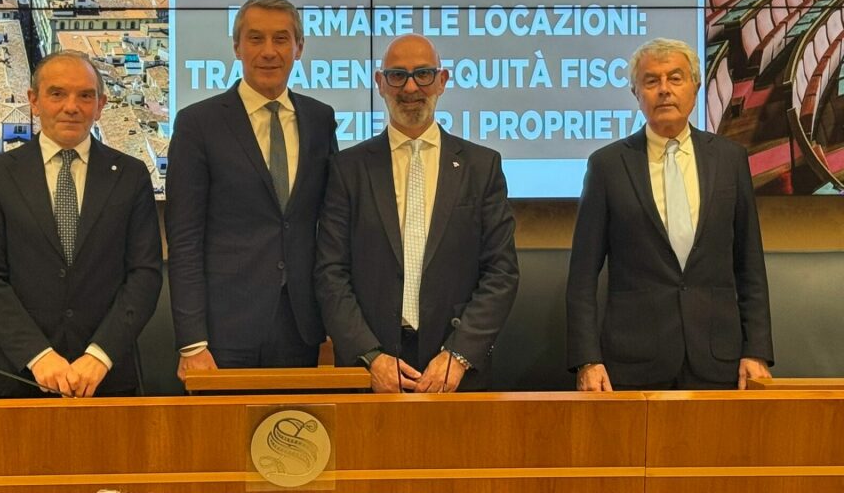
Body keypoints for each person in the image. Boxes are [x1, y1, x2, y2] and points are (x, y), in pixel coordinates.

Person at [315, 34, 519, 392]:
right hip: (370, 371)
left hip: (457, 369)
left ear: (442, 80)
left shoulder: (481, 167)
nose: (410, 88)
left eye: (423, 74)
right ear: (380, 83)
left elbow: (500, 272)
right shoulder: (348, 169)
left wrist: (459, 354)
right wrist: (370, 355)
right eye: (397, 75)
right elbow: (330, 272)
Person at [566, 38, 774, 390]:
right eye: (651, 81)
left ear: (695, 87)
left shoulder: (730, 159)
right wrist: (587, 359)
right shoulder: (607, 165)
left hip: (719, 359)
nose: (664, 90)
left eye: (675, 78)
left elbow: (749, 264)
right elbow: (582, 276)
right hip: (633, 362)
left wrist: (756, 349)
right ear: (636, 93)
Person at [0, 50, 163, 397]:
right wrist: (38, 356)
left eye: (85, 95)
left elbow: (144, 275)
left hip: (107, 377)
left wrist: (100, 355)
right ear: (34, 101)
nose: (71, 106)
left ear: (100, 105)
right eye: (57, 94)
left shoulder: (131, 176)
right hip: (23, 376)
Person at [166, 0, 338, 380]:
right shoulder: (198, 124)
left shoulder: (320, 119)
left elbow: (330, 224)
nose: (268, 51)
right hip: (223, 330)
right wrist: (192, 342)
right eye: (256, 39)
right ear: (236, 47)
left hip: (300, 326)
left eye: (281, 39)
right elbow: (184, 239)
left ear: (299, 48)